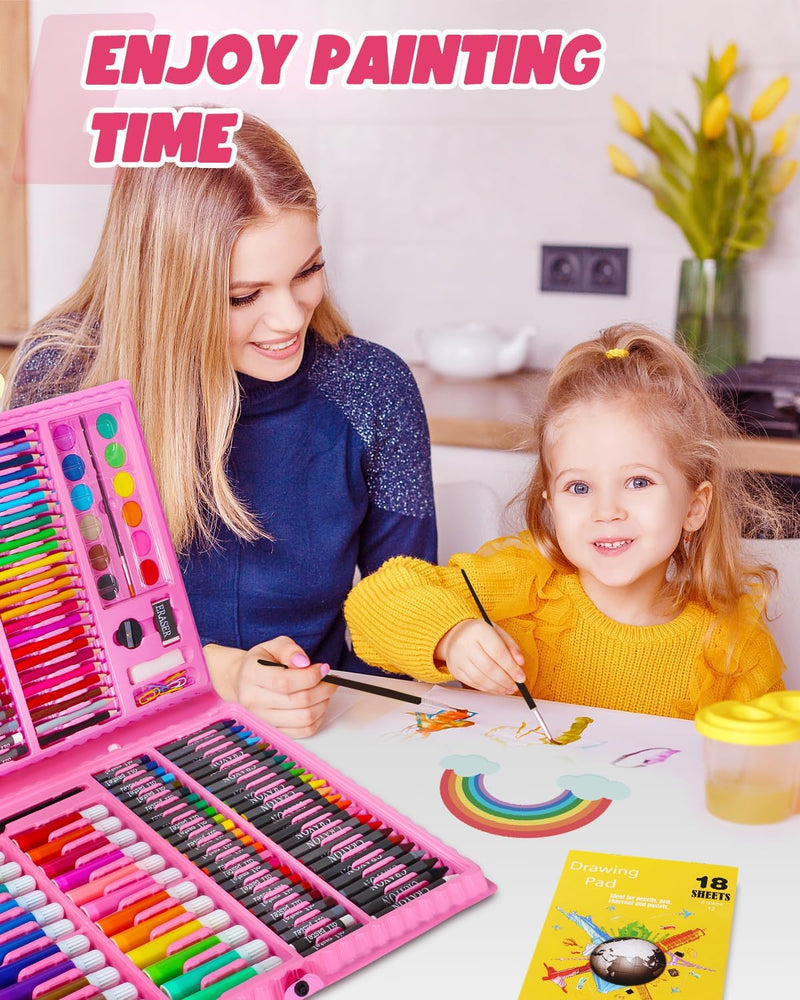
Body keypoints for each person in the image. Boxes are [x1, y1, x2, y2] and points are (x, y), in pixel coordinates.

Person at [4, 112, 437, 737]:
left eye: (306, 272)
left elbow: (401, 613)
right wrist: (218, 675)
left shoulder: (373, 388)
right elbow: (48, 629)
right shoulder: (64, 378)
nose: (290, 317)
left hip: (320, 733)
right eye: (243, 296)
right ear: (163, 289)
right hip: (124, 735)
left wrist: (443, 636)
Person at [344, 324, 789, 719]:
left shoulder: (734, 648)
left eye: (638, 482)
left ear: (695, 506)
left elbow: (766, 775)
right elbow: (371, 604)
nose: (606, 511)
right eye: (579, 488)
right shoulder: (522, 583)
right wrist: (451, 637)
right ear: (552, 506)